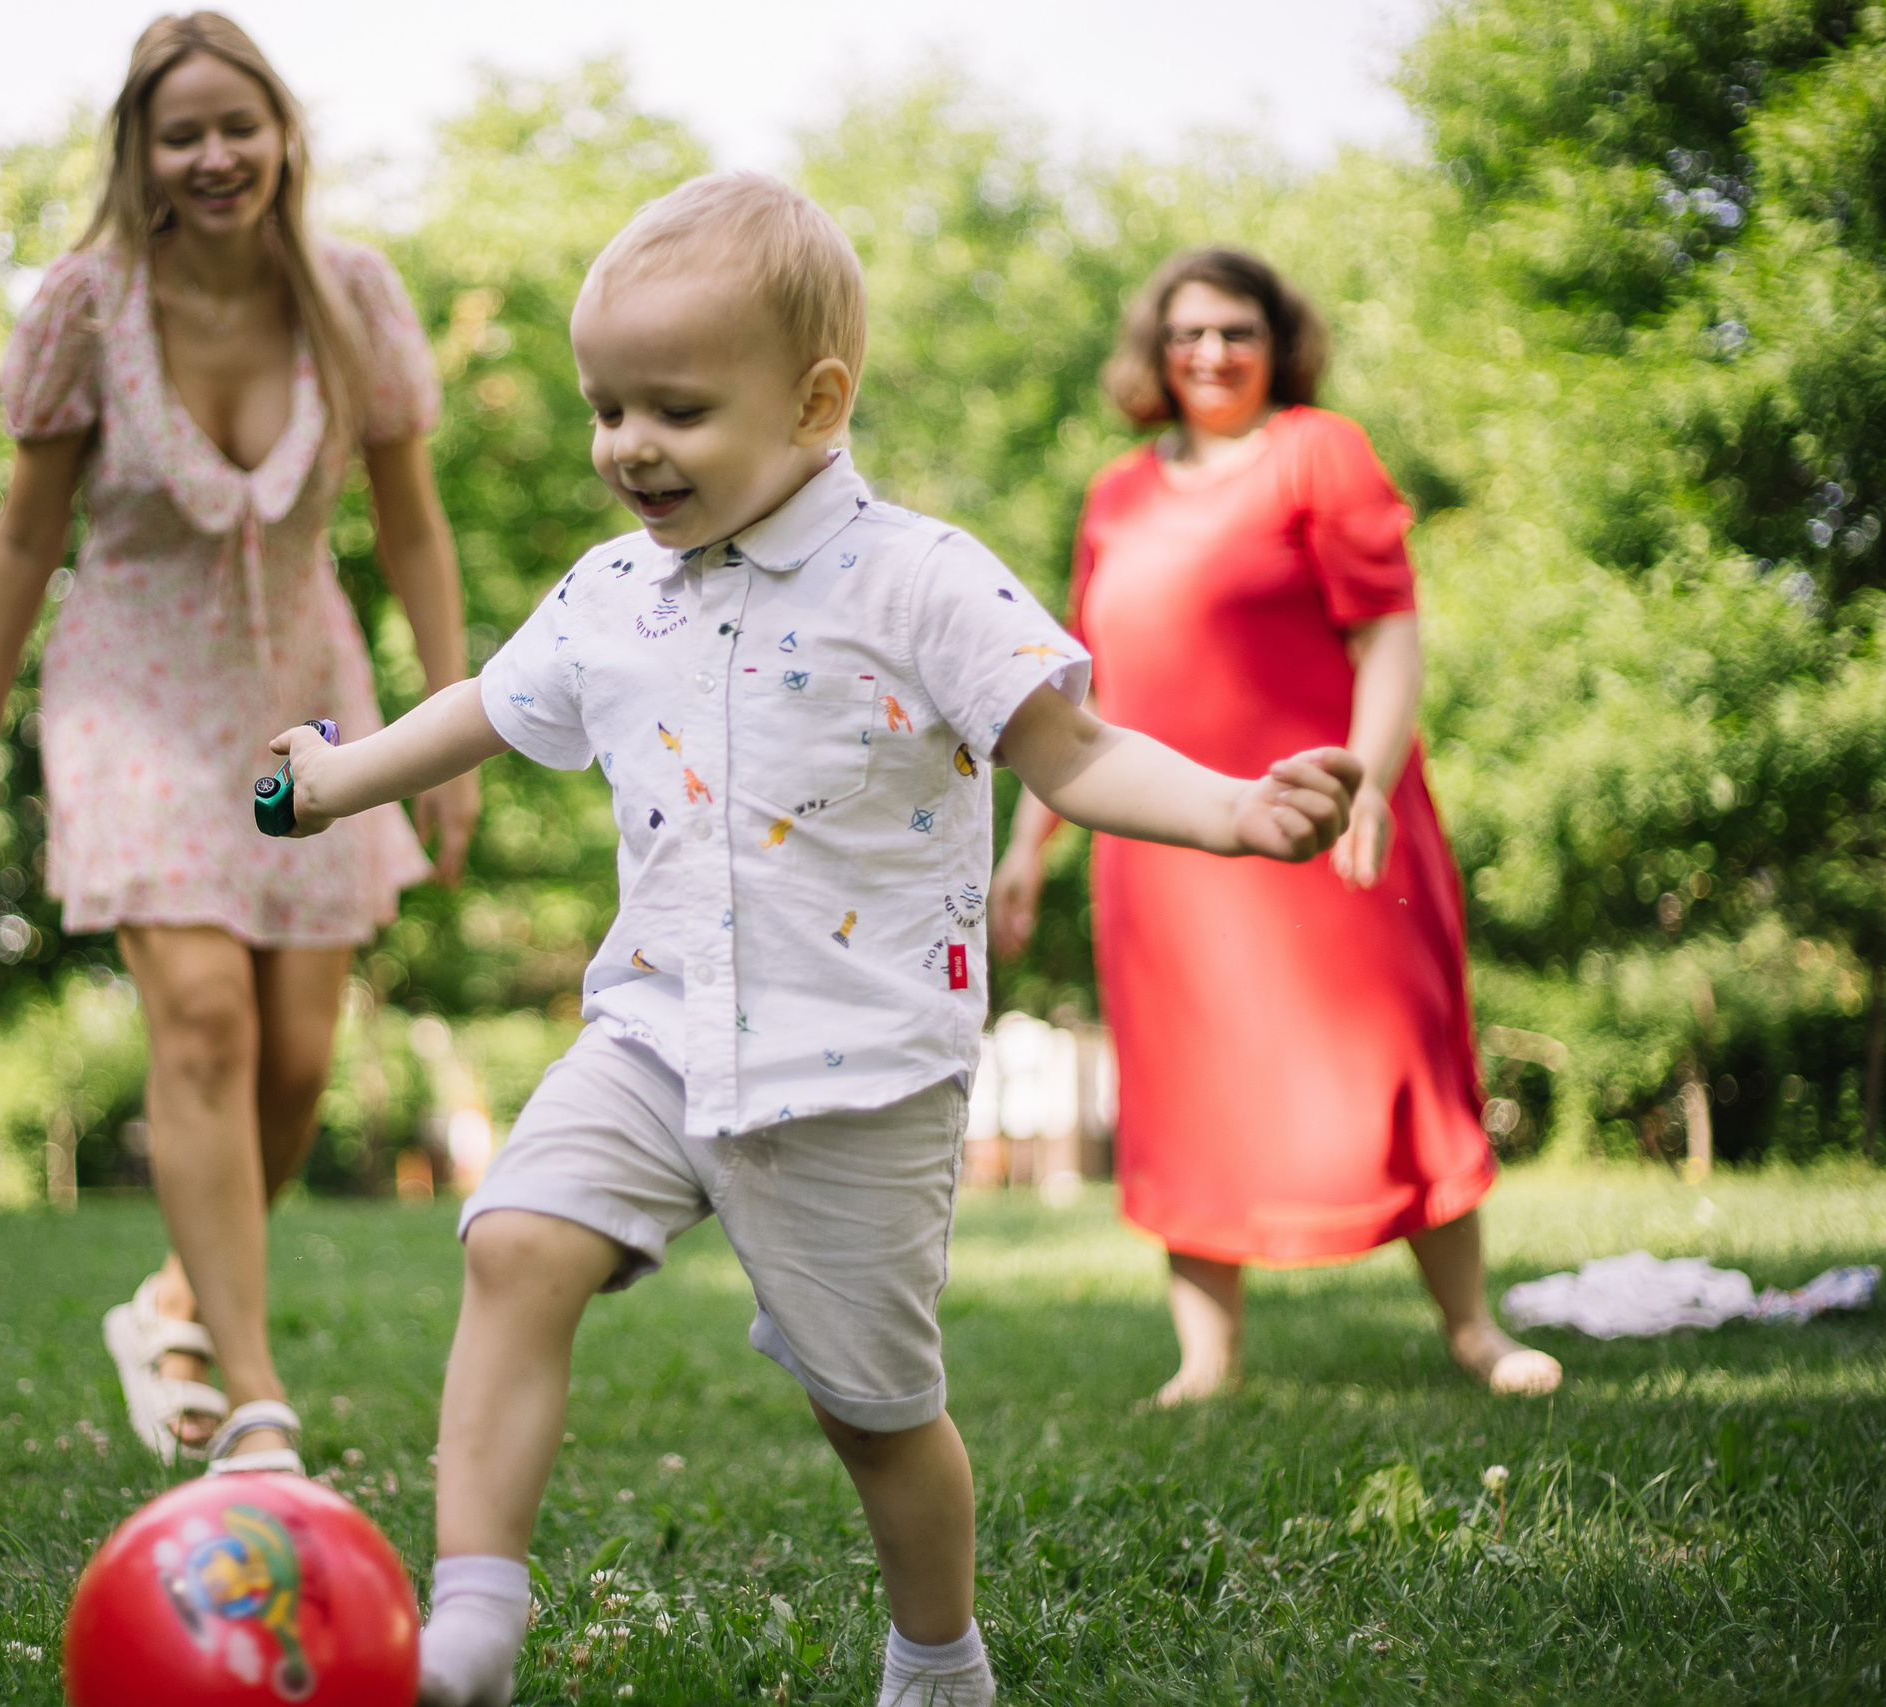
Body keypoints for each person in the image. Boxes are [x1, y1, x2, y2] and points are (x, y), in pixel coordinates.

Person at [265, 175, 1358, 1707]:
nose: (629, 445)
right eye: (606, 407)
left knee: (875, 1409)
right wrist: (335, 779)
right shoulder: (611, 592)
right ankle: (473, 1626)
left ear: (817, 400)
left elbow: (1072, 748)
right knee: (514, 1240)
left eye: (678, 409)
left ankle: (938, 1653)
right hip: (654, 1024)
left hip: (857, 1067)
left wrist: (1239, 810)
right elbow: (487, 710)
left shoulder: (919, 578)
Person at [0, 12, 477, 1474]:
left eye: (241, 123)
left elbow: (414, 528)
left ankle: (169, 1303)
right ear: (143, 154)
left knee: (300, 1057)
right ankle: (253, 1392)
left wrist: (450, 729)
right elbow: (26, 532)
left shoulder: (354, 297)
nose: (216, 154)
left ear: (284, 133)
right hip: (132, 698)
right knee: (207, 1026)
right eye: (183, 132)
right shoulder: (85, 306)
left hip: (309, 694)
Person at [988, 247, 1563, 1406]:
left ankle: (1470, 1329)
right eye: (1187, 332)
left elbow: (1386, 632)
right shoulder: (1115, 494)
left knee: (1394, 1061)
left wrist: (1371, 783)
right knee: (1185, 1083)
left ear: (1277, 341)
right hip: (1163, 852)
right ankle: (1206, 1359)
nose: (1209, 352)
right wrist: (1025, 844)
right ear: (1155, 349)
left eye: (1235, 330)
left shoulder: (1318, 452)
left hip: (1321, 822)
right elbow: (1078, 688)